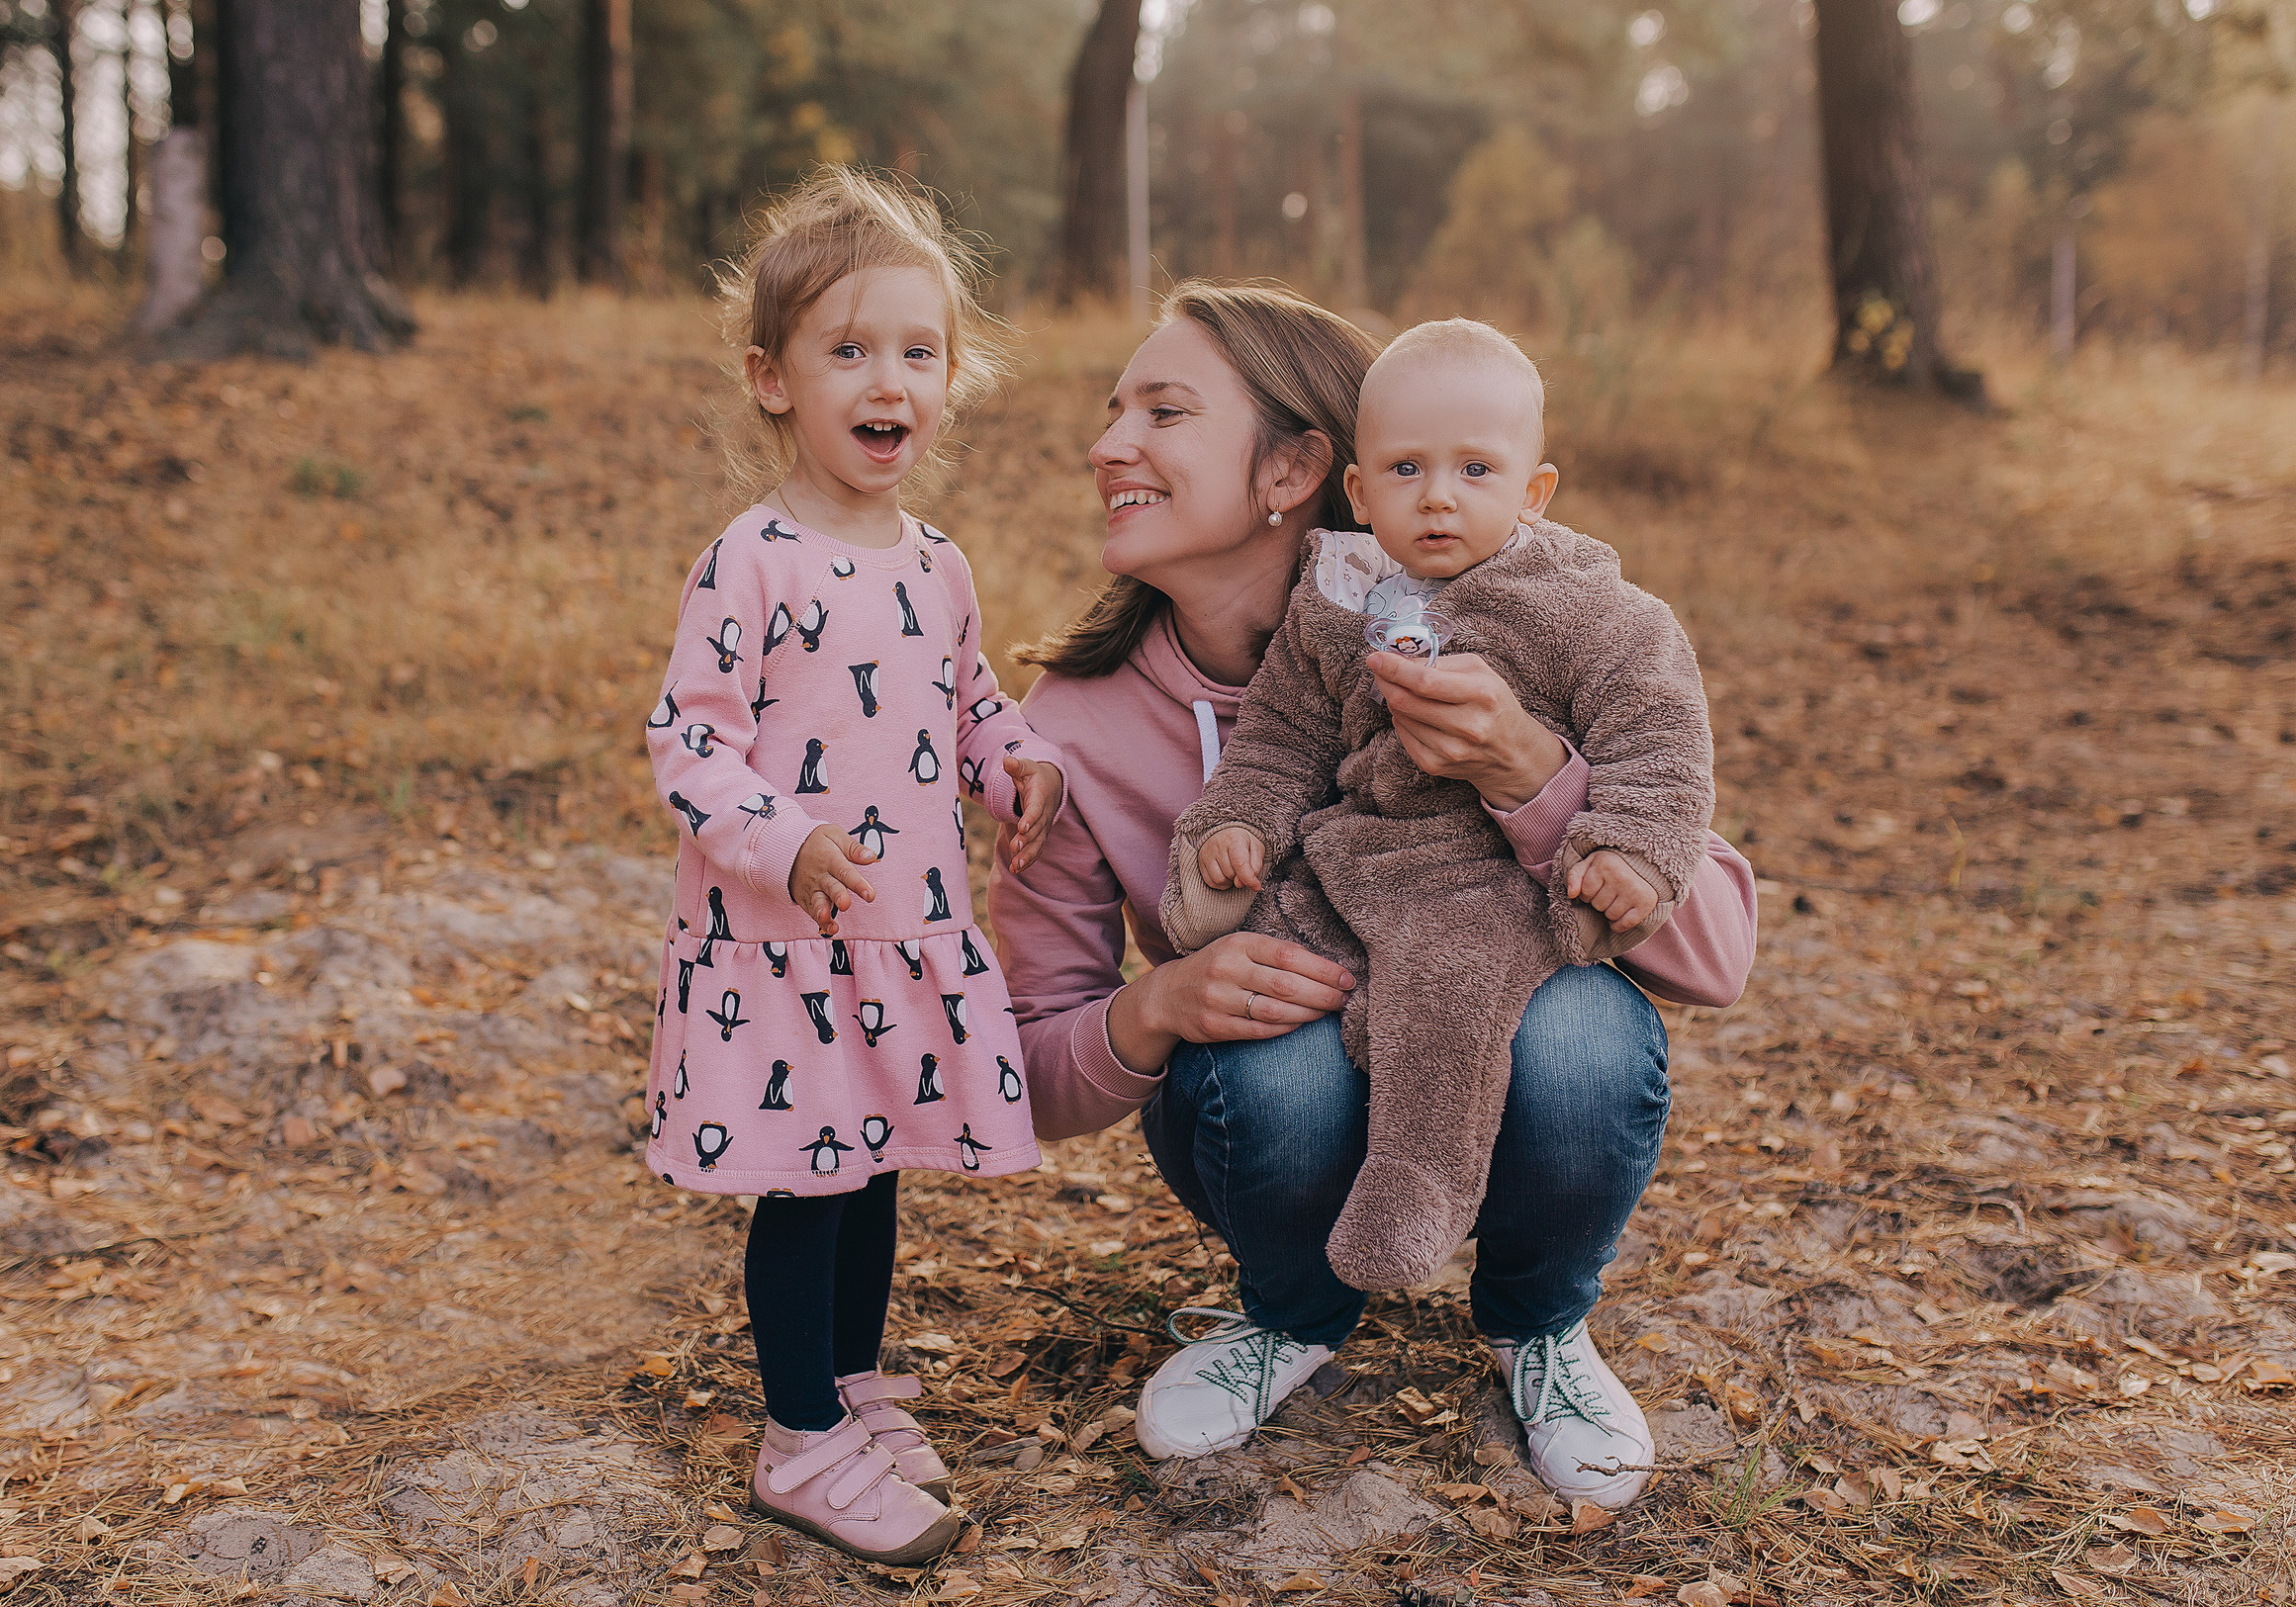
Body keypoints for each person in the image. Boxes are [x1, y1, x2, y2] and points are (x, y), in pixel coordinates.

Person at [991, 282, 1756, 1511]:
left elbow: (1714, 956)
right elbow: (1021, 1073)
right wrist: (1161, 1005)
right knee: (1271, 1068)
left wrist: (1529, 777)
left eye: (1163, 412)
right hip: (1273, 1077)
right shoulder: (1070, 733)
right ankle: (1290, 1315)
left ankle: (1539, 1327)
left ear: (1294, 467)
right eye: (1112, 409)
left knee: (1582, 1034)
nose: (1107, 445)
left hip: (1487, 1018)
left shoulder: (1519, 620)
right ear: (1359, 484)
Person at [643, 167, 1067, 1564]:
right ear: (774, 379)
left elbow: (965, 698)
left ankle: (855, 1379)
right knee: (810, 1175)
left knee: (877, 1154)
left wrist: (1013, 760)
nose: (890, 379)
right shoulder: (751, 560)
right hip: (788, 937)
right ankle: (797, 1431)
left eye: (918, 350)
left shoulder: (936, 563)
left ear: (950, 377)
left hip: (906, 925)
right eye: (849, 349)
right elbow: (689, 743)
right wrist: (787, 837)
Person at [1160, 316, 1716, 1303]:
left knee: (1443, 1006)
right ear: (1363, 490)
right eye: (1407, 470)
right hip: (1349, 869)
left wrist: (1628, 851)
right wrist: (1235, 824)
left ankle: (1418, 1198)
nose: (1439, 498)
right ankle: (1289, 1301)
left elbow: (1660, 752)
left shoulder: (1594, 614)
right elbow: (1280, 738)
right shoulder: (1334, 599)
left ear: (1533, 491)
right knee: (1263, 990)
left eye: (1475, 470)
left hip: (1486, 890)